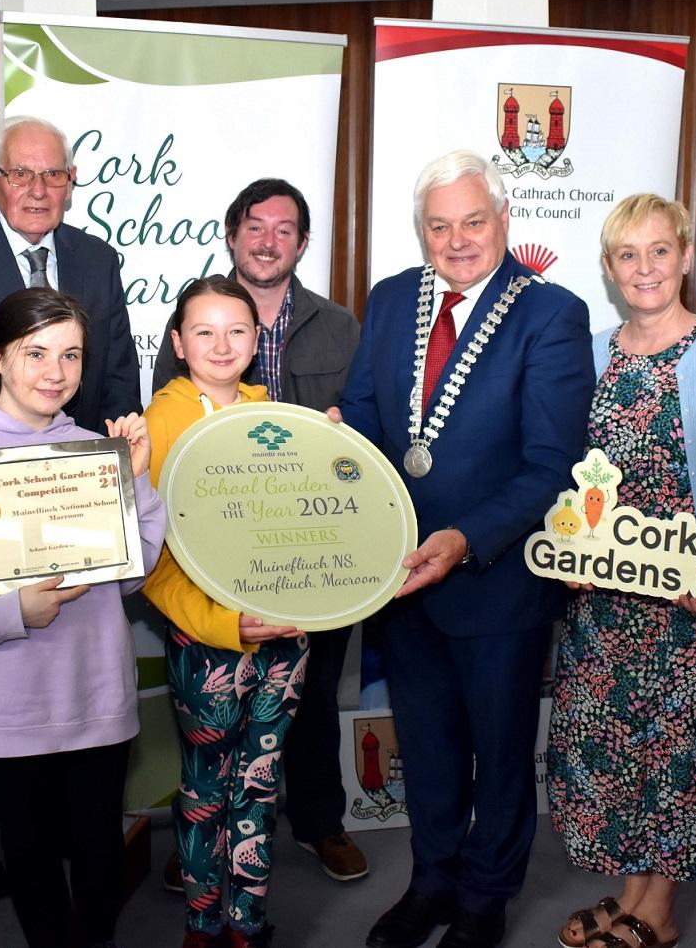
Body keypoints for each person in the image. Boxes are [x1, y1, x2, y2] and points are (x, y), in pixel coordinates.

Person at [335, 149, 595, 948]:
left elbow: (551, 465)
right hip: (400, 579)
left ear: (504, 220)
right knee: (428, 747)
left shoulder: (549, 313)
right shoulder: (389, 301)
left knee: (500, 751)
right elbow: (365, 418)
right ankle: (432, 882)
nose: (456, 240)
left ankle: (485, 898)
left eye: (472, 222)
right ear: (422, 231)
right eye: (439, 225)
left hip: (495, 579)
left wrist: (462, 539)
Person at [0, 113, 140, 900]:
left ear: (71, 184)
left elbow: (114, 384)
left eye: (55, 176)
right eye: (22, 174)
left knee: (72, 668)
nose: (39, 190)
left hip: (73, 491)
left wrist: (109, 476)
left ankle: (66, 841)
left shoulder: (96, 259)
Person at [0, 288, 164, 948]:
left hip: (94, 692)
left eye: (70, 355)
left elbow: (133, 571)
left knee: (98, 845)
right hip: (6, 704)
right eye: (34, 352)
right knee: (30, 850)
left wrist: (136, 482)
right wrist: (9, 611)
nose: (54, 372)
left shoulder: (88, 451)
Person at [546, 194, 696, 948]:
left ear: (686, 256)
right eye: (627, 255)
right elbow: (571, 477)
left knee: (673, 757)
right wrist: (570, 547)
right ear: (608, 269)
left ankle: (658, 913)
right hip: (603, 605)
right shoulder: (593, 353)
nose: (645, 268)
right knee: (613, 750)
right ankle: (630, 894)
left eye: (659, 250)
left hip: (686, 604)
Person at [152, 178, 367, 882]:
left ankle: (317, 824)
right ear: (232, 234)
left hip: (310, 559)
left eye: (284, 228)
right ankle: (205, 860)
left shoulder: (340, 326)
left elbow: (356, 443)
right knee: (215, 739)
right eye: (254, 224)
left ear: (302, 243)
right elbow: (171, 450)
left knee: (307, 706)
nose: (267, 238)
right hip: (213, 570)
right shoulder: (190, 324)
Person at [143, 275, 309, 948]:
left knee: (260, 785)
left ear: (256, 338)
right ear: (179, 343)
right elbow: (150, 564)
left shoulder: (276, 417)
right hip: (206, 644)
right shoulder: (158, 424)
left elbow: (310, 528)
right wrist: (221, 624)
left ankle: (246, 920)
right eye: (203, 331)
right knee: (207, 790)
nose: (221, 344)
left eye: (236, 329)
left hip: (284, 640)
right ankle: (201, 922)